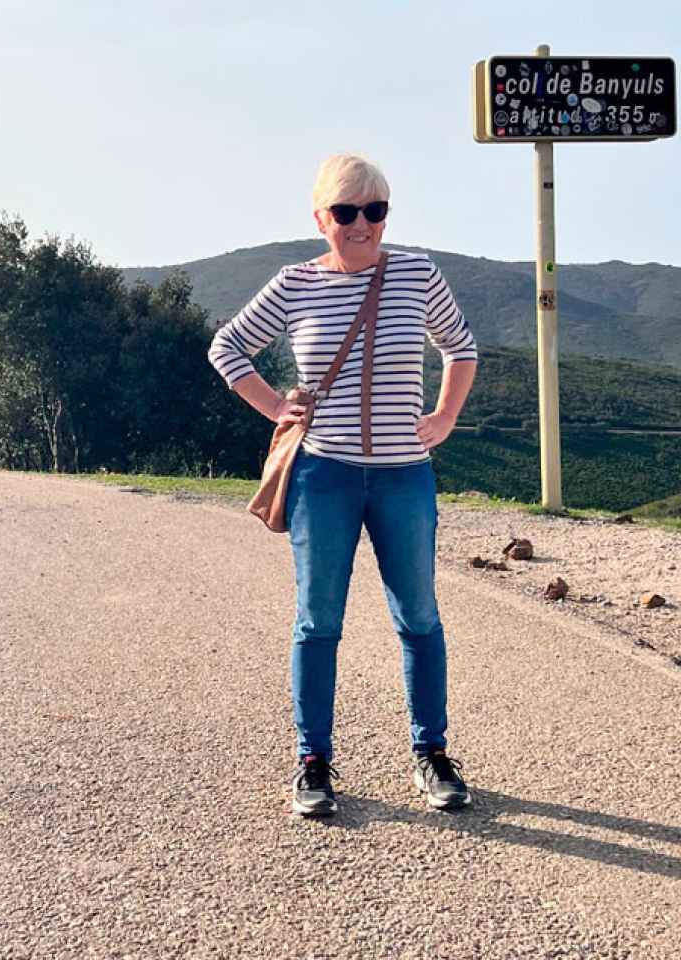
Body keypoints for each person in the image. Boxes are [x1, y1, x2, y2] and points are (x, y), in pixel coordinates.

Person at [207, 154, 481, 818]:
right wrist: (276, 406)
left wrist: (443, 417)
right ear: (320, 218)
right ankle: (313, 763)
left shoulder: (416, 273)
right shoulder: (295, 283)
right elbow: (227, 348)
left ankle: (432, 754)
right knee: (317, 621)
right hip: (322, 477)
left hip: (403, 479)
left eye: (376, 211)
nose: (362, 225)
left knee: (419, 617)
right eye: (347, 212)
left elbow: (461, 348)